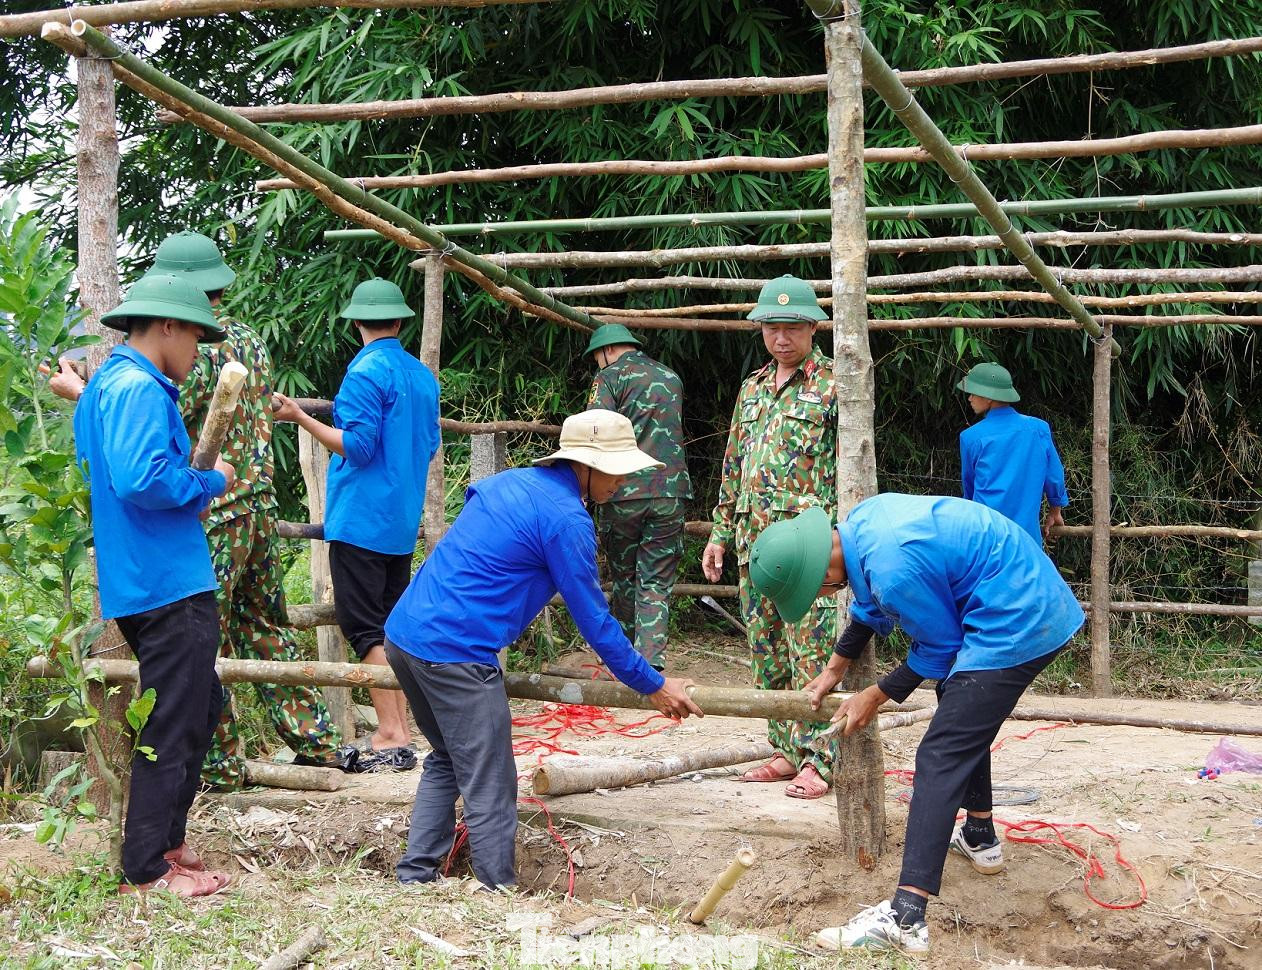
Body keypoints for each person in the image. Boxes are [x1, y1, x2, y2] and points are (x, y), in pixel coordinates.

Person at [51, 231, 352, 788]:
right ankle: (319, 742)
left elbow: (148, 410)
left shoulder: (202, 346)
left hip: (210, 510)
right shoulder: (252, 341)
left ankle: (218, 763)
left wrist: (78, 392)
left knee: (199, 645)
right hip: (260, 506)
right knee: (268, 629)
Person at [747, 495, 1085, 953]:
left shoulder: (893, 568)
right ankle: (980, 835)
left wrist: (877, 694)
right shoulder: (861, 527)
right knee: (961, 712)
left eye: (818, 592)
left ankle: (907, 917)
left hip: (1018, 617)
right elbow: (867, 607)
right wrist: (834, 669)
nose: (825, 596)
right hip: (1016, 593)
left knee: (940, 753)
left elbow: (940, 647)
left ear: (825, 572)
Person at [383, 409, 703, 889]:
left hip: (404, 637)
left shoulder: (507, 483)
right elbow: (594, 620)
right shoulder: (566, 521)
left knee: (448, 757)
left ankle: (415, 876)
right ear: (585, 465)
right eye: (616, 470)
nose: (622, 482)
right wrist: (652, 683)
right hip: (455, 651)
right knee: (490, 779)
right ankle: (497, 891)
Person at [74, 274, 236, 897]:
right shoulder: (140, 389)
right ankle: (147, 866)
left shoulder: (103, 389)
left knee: (198, 704)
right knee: (175, 717)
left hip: (136, 577)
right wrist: (210, 481)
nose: (197, 352)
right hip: (167, 581)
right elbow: (142, 480)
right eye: (195, 336)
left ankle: (167, 840)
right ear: (168, 326)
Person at [274, 277, 440, 772]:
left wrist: (301, 416)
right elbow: (429, 445)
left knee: (366, 629)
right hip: (399, 519)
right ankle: (403, 727)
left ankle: (392, 730)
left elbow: (359, 446)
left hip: (361, 520)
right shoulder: (420, 374)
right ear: (399, 321)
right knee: (391, 626)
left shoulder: (365, 373)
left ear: (357, 322)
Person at [700, 274, 838, 800]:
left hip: (810, 553)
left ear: (813, 327)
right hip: (752, 549)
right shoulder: (752, 388)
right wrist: (719, 533)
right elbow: (733, 466)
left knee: (813, 654)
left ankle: (820, 760)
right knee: (768, 653)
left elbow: (852, 465)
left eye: (793, 327)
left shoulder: (832, 384)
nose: (782, 337)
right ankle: (783, 748)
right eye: (773, 327)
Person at [585, 324, 692, 671]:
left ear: (606, 351)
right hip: (670, 491)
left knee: (624, 576)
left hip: (622, 491)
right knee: (656, 577)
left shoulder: (609, 378)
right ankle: (651, 660)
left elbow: (594, 433)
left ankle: (623, 657)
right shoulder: (672, 376)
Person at [957, 361, 1070, 544]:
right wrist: (1055, 511)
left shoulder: (971, 437)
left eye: (973, 392)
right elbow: (1054, 477)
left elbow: (969, 488)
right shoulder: (1038, 429)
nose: (969, 398)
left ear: (988, 397)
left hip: (986, 538)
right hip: (1026, 539)